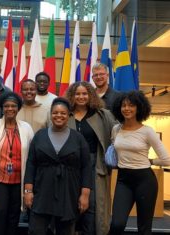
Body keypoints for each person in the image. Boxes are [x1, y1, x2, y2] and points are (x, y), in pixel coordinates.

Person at [24, 97, 92, 235]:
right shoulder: (40, 135)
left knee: (66, 230)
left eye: (63, 113)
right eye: (55, 113)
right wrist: (28, 191)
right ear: (51, 114)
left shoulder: (78, 138)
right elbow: (31, 163)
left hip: (69, 191)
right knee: (36, 229)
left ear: (68, 116)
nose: (59, 116)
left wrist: (85, 195)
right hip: (42, 190)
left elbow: (86, 167)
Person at [109, 91, 170, 234]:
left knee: (144, 227)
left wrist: (150, 160)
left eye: (131, 105)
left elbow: (167, 159)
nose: (126, 109)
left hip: (145, 180)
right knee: (117, 223)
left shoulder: (147, 131)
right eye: (123, 105)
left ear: (139, 108)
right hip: (123, 180)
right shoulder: (116, 129)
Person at [0, 92, 34, 235]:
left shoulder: (26, 128)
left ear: (18, 108)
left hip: (18, 181)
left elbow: (32, 155)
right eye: (7, 106)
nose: (10, 109)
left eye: (13, 106)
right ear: (2, 108)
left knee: (14, 215)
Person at [66, 81, 116, 235]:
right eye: (77, 94)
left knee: (93, 207)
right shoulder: (65, 114)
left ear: (91, 95)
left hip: (95, 165)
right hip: (70, 167)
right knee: (70, 204)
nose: (81, 97)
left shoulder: (103, 115)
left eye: (84, 93)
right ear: (72, 96)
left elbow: (116, 136)